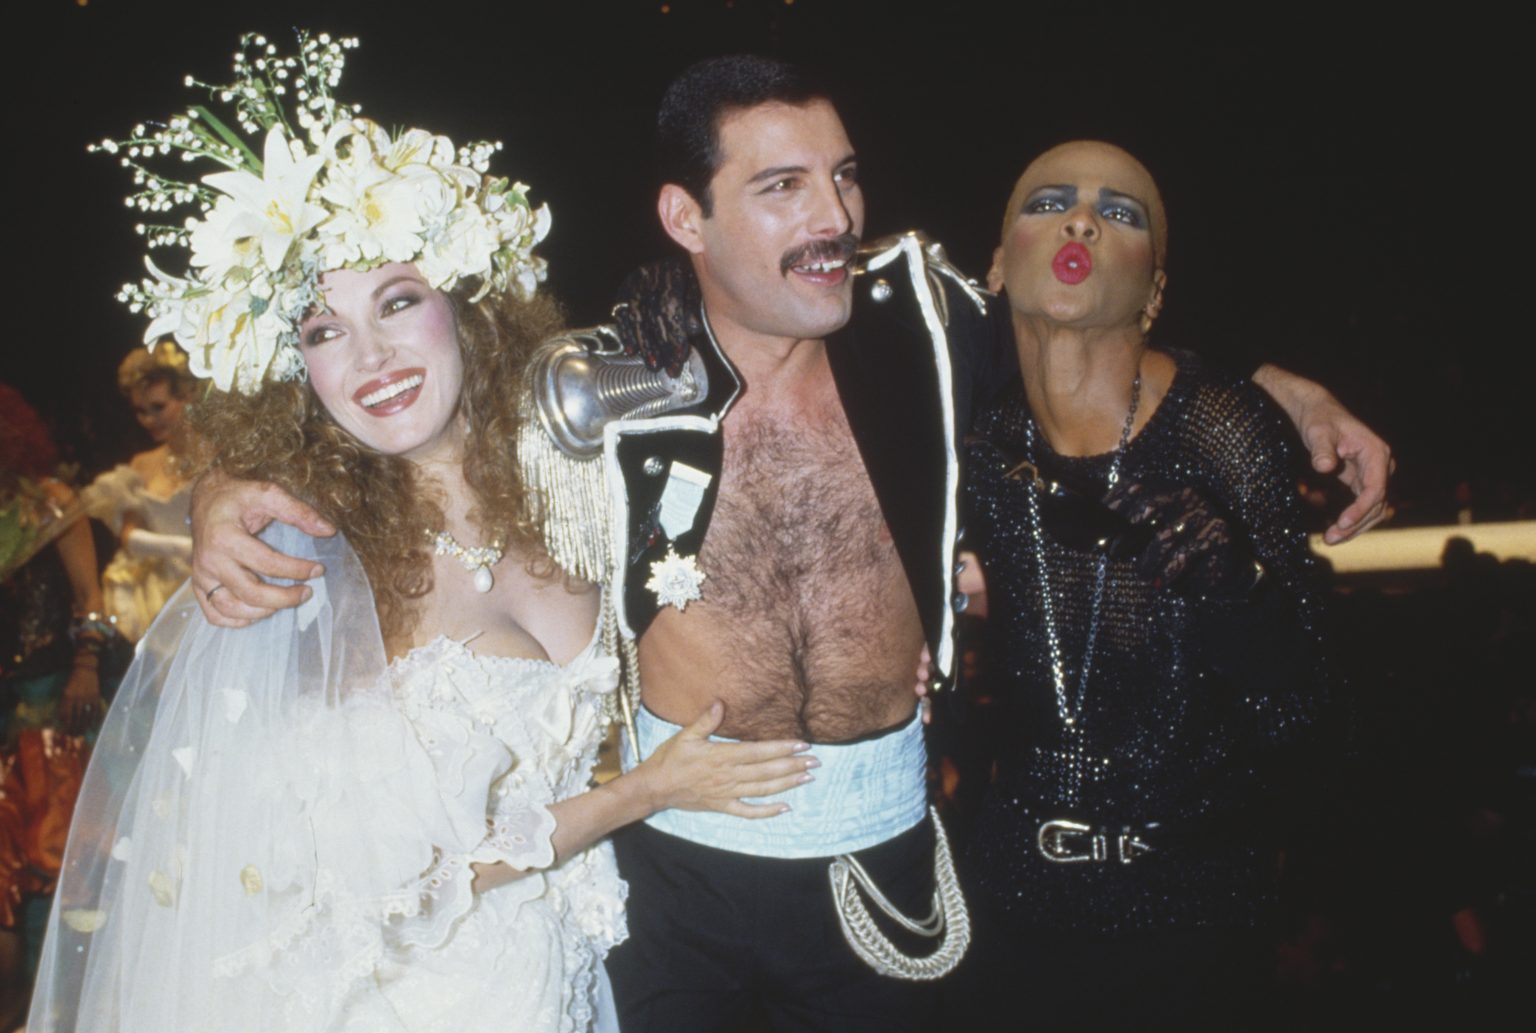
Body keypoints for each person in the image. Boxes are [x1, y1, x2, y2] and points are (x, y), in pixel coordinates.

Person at [190, 56, 1390, 1033]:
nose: (836, 216)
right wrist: (227, 489)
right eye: (782, 188)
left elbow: (1088, 318)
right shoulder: (598, 382)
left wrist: (1283, 391)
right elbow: (395, 419)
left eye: (844, 178)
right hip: (667, 883)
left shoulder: (923, 322)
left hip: (890, 862)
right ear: (686, 218)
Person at [27, 33, 813, 1033]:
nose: (372, 356)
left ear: (468, 309)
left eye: (399, 301)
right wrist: (648, 790)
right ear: (295, 371)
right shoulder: (308, 558)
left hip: (564, 976)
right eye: (323, 331)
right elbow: (397, 884)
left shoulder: (578, 473)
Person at [955, 141, 1332, 1026]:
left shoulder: (1224, 429)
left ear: (1155, 290)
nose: (1081, 220)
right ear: (999, 266)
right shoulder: (976, 444)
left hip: (1189, 925)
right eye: (1050, 202)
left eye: (1118, 213)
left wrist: (1237, 589)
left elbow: (1307, 713)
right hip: (1008, 913)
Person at [81, 343, 197, 642]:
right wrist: (183, 549)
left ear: (188, 396)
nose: (148, 419)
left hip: (215, 579)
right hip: (163, 595)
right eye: (140, 411)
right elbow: (128, 536)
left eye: (158, 407)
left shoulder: (220, 455)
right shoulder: (142, 464)